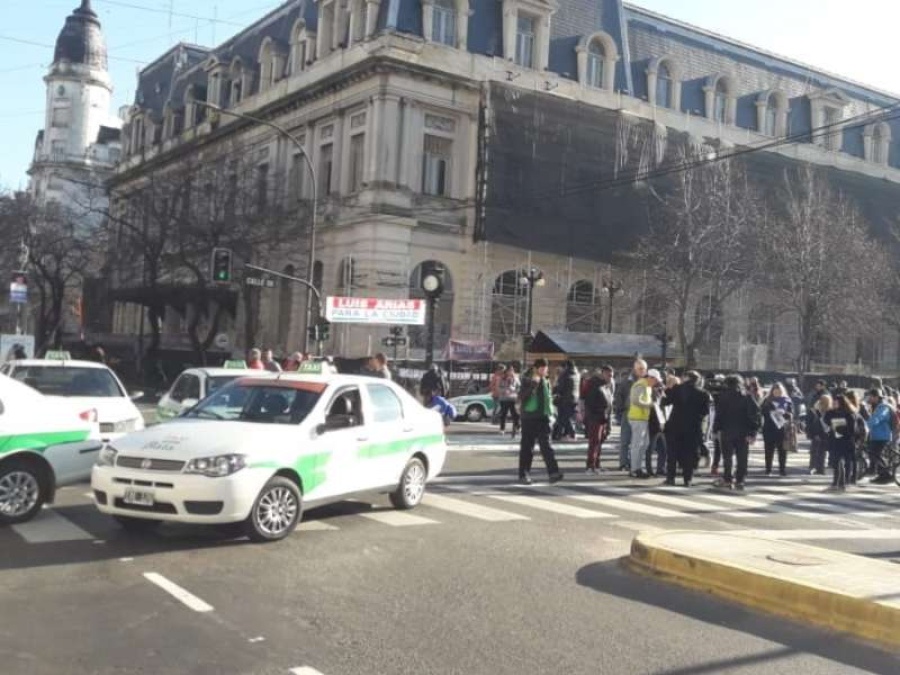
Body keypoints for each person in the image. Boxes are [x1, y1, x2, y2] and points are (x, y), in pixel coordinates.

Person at [516, 358, 563, 486]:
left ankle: (553, 473)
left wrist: (554, 402)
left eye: (545, 369)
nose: (544, 371)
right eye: (542, 369)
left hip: (544, 417)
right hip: (529, 417)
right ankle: (523, 474)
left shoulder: (546, 380)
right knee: (527, 447)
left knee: (546, 446)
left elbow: (547, 398)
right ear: (535, 369)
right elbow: (522, 397)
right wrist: (533, 384)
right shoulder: (527, 379)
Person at [712, 374, 761, 491]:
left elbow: (719, 415)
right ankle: (740, 480)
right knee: (742, 457)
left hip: (726, 430)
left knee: (727, 457)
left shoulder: (723, 397)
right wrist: (753, 432)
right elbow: (755, 415)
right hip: (743, 431)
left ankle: (728, 479)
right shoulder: (747, 396)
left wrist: (715, 429)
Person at [662, 371, 710, 487]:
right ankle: (687, 479)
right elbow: (705, 411)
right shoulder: (703, 393)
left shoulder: (677, 389)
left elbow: (665, 402)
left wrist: (667, 389)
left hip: (675, 425)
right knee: (689, 453)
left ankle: (670, 478)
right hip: (693, 427)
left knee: (672, 452)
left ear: (686, 378)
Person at [823, 393, 863, 492]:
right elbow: (826, 419)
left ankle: (845, 483)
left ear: (841, 403)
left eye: (836, 403)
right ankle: (835, 482)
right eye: (833, 403)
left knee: (847, 462)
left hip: (847, 440)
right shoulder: (832, 412)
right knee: (836, 462)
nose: (834, 404)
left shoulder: (849, 413)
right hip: (836, 440)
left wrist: (841, 428)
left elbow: (852, 429)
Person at [628, 364, 660, 479]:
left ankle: (637, 468)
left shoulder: (646, 385)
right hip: (637, 418)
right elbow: (635, 400)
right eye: (656, 380)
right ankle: (634, 469)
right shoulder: (641, 385)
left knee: (644, 444)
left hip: (642, 418)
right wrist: (650, 405)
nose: (656, 383)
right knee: (637, 444)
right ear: (651, 377)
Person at [582, 365, 613, 473]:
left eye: (611, 376)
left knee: (599, 442)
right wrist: (600, 412)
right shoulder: (595, 385)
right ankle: (590, 465)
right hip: (595, 418)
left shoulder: (605, 385)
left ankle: (596, 464)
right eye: (608, 375)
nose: (610, 377)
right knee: (594, 442)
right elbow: (590, 403)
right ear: (602, 373)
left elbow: (608, 402)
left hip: (603, 418)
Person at [760, 382, 793, 477]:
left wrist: (785, 414)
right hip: (769, 428)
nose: (777, 392)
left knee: (782, 451)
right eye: (775, 390)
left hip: (782, 428)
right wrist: (771, 411)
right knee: (769, 450)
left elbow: (791, 413)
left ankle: (782, 470)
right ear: (772, 391)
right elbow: (762, 412)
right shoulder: (767, 400)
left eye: (779, 391)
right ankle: (768, 470)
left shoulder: (787, 401)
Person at [615, 364, 642, 471]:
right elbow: (618, 395)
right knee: (625, 440)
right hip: (628, 412)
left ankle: (633, 462)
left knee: (636, 441)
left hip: (640, 414)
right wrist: (621, 409)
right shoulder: (626, 382)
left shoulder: (644, 381)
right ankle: (623, 463)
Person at [864, 389, 894, 484]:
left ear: (876, 397)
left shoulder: (883, 407)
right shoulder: (876, 406)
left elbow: (877, 418)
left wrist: (866, 426)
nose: (869, 398)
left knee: (876, 454)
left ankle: (886, 475)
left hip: (883, 435)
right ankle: (881, 474)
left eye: (870, 397)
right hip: (876, 435)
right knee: (873, 454)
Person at [551, 360, 580, 441]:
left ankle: (571, 434)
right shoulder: (577, 374)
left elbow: (560, 387)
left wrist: (553, 391)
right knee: (564, 418)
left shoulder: (565, 374)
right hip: (574, 399)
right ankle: (559, 435)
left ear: (566, 366)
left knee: (564, 418)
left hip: (565, 399)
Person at [806, 393, 832, 476]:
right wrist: (811, 433)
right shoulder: (815, 410)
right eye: (822, 400)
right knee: (814, 451)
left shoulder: (830, 411)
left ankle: (820, 468)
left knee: (822, 452)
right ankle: (813, 467)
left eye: (826, 401)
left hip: (825, 433)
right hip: (816, 432)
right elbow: (810, 422)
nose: (823, 403)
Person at [497, 365, 521, 437]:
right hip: (504, 399)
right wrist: (504, 391)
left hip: (513, 399)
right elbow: (498, 387)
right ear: (506, 371)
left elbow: (519, 387)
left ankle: (518, 427)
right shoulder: (502, 378)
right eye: (509, 371)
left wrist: (513, 390)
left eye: (512, 370)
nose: (510, 372)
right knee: (503, 414)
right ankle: (502, 429)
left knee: (515, 414)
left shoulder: (516, 378)